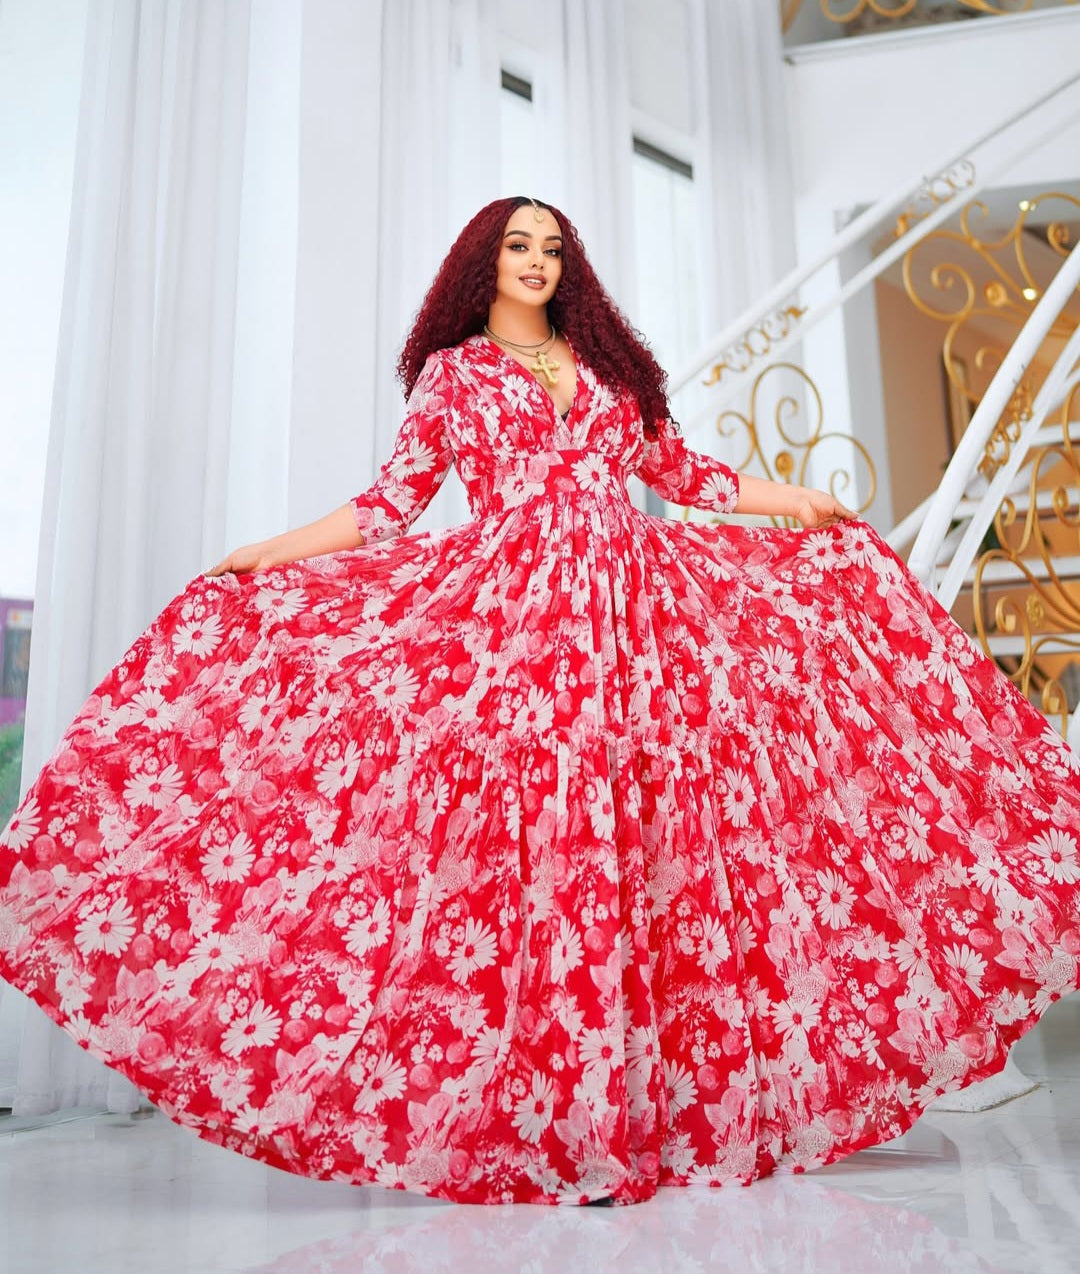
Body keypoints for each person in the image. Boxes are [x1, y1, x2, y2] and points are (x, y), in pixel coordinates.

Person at [1, 195, 1078, 1208]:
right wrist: (268, 552)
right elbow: (393, 504)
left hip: (639, 624)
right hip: (520, 630)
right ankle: (563, 1125)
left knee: (651, 845)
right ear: (484, 262)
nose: (538, 261)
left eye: (553, 246)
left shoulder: (604, 366)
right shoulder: (457, 377)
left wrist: (788, 500)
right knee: (554, 853)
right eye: (519, 244)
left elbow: (679, 470)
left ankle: (643, 1118)